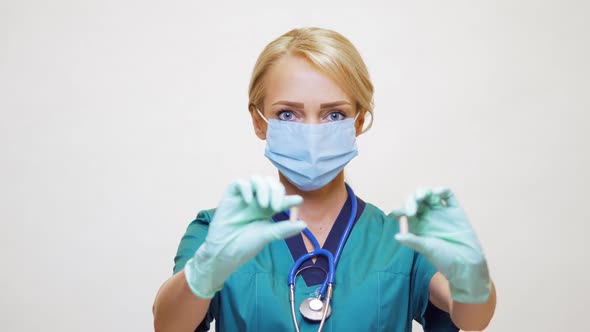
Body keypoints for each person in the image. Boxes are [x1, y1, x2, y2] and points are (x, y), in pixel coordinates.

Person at [153, 27, 496, 332]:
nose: (313, 132)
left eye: (335, 114)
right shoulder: (217, 233)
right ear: (260, 122)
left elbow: (472, 319)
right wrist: (204, 272)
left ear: (359, 121)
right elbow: (168, 325)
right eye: (288, 114)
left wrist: (471, 276)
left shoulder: (401, 240)